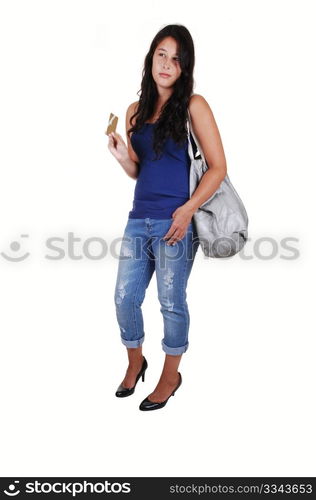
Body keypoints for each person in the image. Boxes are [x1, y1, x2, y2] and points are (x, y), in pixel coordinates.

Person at [107, 24, 227, 411]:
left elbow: (218, 167)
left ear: (184, 66)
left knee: (171, 302)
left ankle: (170, 375)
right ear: (151, 56)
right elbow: (140, 170)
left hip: (177, 222)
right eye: (162, 53)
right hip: (138, 219)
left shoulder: (194, 105)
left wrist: (188, 210)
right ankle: (134, 362)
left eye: (176, 58)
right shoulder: (133, 111)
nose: (167, 63)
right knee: (124, 298)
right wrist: (123, 155)